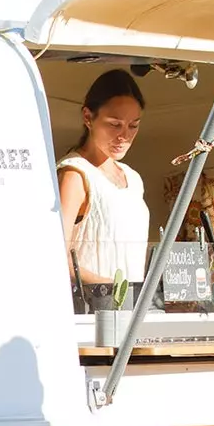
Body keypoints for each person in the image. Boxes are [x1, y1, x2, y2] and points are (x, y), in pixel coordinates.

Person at [57, 69, 151, 312]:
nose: (124, 136)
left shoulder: (133, 178)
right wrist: (109, 288)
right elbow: (54, 254)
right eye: (114, 124)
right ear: (88, 117)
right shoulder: (75, 174)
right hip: (91, 314)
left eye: (133, 126)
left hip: (131, 311)